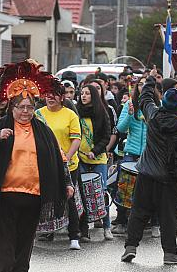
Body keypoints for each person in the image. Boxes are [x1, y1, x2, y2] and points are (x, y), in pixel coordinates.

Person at [0, 60, 74, 272]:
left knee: (26, 235)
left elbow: (60, 157)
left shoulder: (44, 131)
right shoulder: (0, 125)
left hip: (34, 193)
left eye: (30, 107)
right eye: (21, 107)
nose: (26, 112)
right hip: (5, 191)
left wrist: (67, 182)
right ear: (13, 107)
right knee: (3, 234)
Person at [121, 76, 177, 265]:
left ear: (163, 101)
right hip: (170, 177)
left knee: (138, 212)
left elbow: (144, 98)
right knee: (169, 216)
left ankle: (130, 247)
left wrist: (149, 81)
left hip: (147, 173)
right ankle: (170, 254)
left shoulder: (153, 116)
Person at [35, 86, 82, 250]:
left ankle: (74, 236)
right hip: (46, 163)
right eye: (48, 94)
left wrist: (67, 157)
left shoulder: (70, 114)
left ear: (62, 97)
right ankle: (47, 230)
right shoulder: (38, 113)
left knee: (68, 197)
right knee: (45, 197)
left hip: (69, 164)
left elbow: (76, 138)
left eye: (54, 95)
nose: (50, 97)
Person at [76, 84, 113, 240]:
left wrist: (95, 150)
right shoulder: (75, 112)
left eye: (87, 94)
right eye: (82, 93)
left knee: (101, 192)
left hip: (98, 158)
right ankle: (84, 230)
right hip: (80, 157)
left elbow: (106, 136)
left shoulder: (102, 112)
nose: (84, 96)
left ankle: (107, 226)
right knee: (83, 194)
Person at [113, 77, 149, 235]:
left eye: (146, 84)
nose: (143, 87)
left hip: (149, 154)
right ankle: (121, 219)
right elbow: (120, 128)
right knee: (125, 186)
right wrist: (129, 114)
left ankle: (150, 221)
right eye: (140, 84)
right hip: (131, 152)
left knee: (149, 189)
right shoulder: (129, 104)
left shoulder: (155, 106)